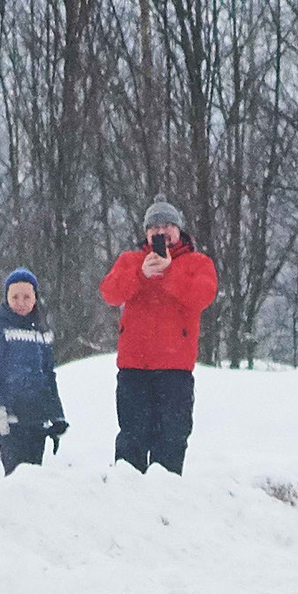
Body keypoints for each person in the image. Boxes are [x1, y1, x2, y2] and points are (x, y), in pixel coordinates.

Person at [98, 197, 217, 474]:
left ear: (178, 230)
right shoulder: (131, 261)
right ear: (146, 233)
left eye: (166, 226)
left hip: (175, 370)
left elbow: (202, 295)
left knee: (172, 439)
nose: (160, 232)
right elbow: (109, 293)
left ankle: (166, 497)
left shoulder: (197, 263)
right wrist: (140, 275)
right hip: (133, 367)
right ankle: (126, 494)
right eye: (153, 227)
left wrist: (169, 272)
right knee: (131, 438)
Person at [0, 268, 68, 475]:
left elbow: (48, 377)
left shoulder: (42, 333)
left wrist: (56, 415)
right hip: (10, 420)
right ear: (6, 298)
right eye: (15, 296)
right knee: (16, 477)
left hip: (36, 420)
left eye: (27, 296)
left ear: (35, 298)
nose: (21, 302)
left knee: (34, 476)